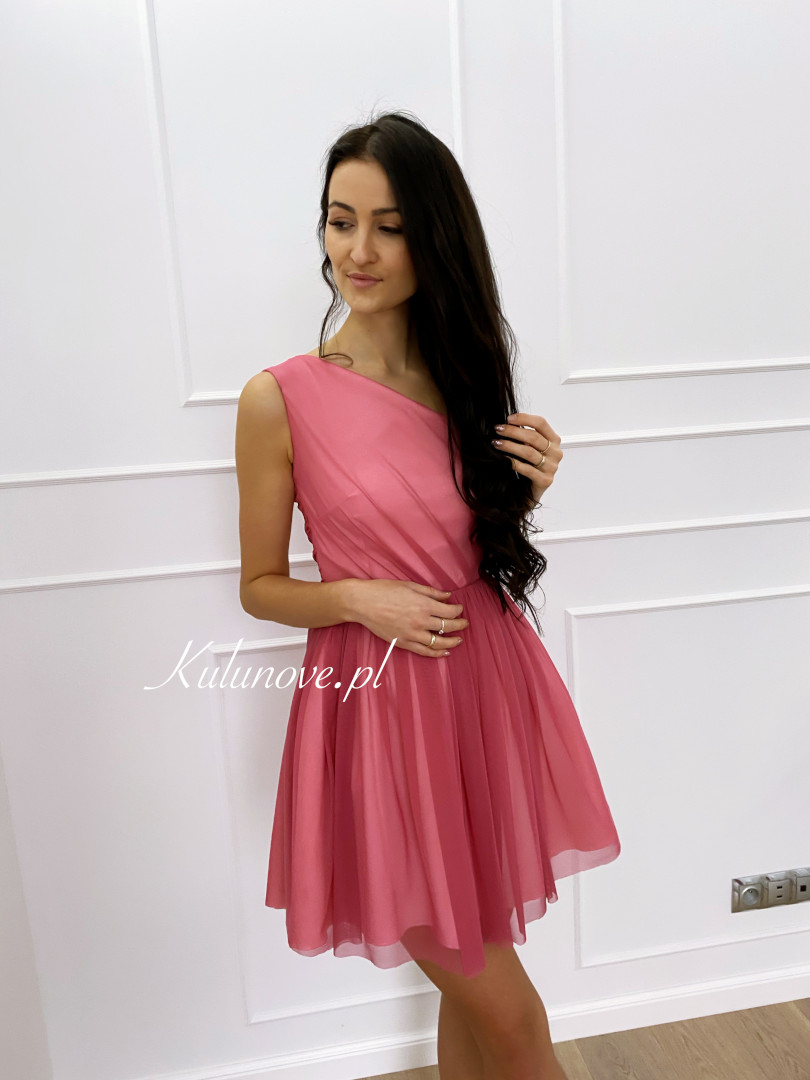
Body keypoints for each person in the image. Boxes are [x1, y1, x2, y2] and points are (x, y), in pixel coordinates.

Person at [235, 110, 621, 1080]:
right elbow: (261, 588)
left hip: (481, 694)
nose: (357, 251)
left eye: (391, 227)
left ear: (434, 237)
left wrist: (522, 491)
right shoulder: (280, 398)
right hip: (380, 714)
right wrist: (361, 599)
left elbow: (464, 548)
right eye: (340, 221)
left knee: (476, 1000)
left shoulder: (465, 378)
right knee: (514, 1017)